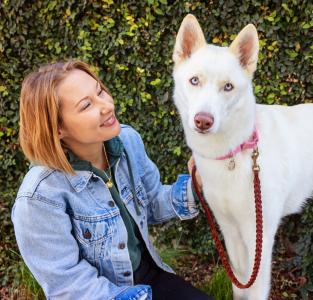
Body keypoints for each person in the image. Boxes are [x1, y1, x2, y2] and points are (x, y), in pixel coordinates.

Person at [12, 60, 210, 300]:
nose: (106, 105)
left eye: (99, 91)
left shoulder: (127, 141)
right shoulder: (38, 197)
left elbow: (152, 203)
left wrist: (198, 184)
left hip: (150, 277)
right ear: (57, 128)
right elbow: (67, 283)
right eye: (86, 105)